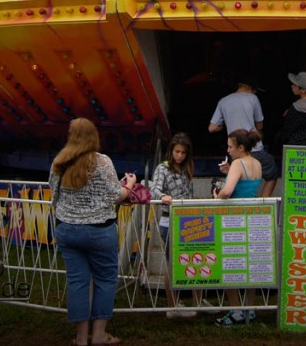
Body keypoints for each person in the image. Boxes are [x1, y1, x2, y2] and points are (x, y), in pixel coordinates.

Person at [50, 117, 135, 346]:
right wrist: (130, 185)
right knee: (105, 280)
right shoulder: (103, 162)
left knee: (77, 282)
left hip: (67, 229)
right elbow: (116, 195)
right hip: (99, 231)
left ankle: (80, 337)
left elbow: (54, 195)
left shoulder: (59, 162)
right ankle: (98, 335)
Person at [212, 129, 262, 326]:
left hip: (235, 219)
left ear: (241, 147)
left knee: (229, 264)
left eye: (230, 147)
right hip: (254, 218)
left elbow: (228, 191)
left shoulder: (238, 163)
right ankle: (250, 309)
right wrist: (230, 172)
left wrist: (217, 196)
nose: (228, 150)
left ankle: (236, 311)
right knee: (251, 266)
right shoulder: (256, 163)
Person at [149, 132, 202, 319]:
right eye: (177, 151)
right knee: (172, 263)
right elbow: (153, 189)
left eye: (183, 152)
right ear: (171, 150)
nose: (179, 155)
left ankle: (198, 302)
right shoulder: (162, 168)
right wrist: (162, 197)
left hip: (188, 220)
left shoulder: (187, 167)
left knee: (196, 259)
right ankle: (172, 306)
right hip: (169, 220)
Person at [208, 76, 279, 197]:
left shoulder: (223, 101)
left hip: (236, 150)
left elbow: (212, 128)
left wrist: (225, 125)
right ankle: (263, 204)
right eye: (255, 90)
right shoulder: (253, 98)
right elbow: (260, 125)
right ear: (248, 87)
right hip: (255, 149)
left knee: (236, 178)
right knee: (273, 174)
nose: (255, 92)